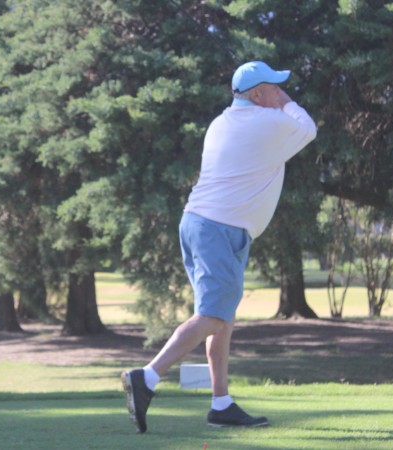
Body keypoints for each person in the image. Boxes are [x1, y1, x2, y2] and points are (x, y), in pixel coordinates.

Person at [121, 61, 317, 433]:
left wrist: (277, 100)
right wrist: (286, 103)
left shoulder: (222, 122)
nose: (281, 92)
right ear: (257, 94)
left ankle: (221, 404)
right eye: (274, 87)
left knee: (221, 318)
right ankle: (147, 377)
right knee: (213, 316)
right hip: (218, 229)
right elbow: (308, 128)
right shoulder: (267, 120)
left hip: (205, 225)